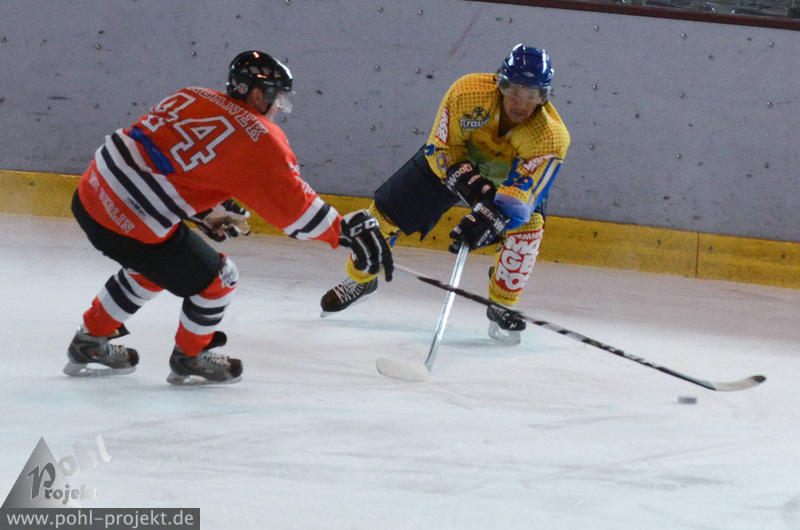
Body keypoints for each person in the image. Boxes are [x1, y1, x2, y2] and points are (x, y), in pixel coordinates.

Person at [64, 50, 393, 385]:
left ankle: (90, 340)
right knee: (220, 278)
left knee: (152, 267)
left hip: (90, 193)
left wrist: (205, 212)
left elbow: (159, 159)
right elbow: (298, 212)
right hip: (131, 222)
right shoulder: (261, 138)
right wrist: (346, 232)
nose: (279, 107)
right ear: (257, 96)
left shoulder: (192, 95)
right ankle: (190, 357)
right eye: (277, 98)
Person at [320, 43, 570, 344]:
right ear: (501, 84)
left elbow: (522, 198)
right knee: (383, 216)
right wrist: (474, 189)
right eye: (514, 91)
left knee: (529, 231)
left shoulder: (551, 136)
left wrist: (492, 216)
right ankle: (359, 279)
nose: (521, 103)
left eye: (531, 96)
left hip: (509, 184)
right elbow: (441, 148)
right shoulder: (468, 93)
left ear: (544, 97)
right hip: (457, 165)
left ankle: (502, 303)